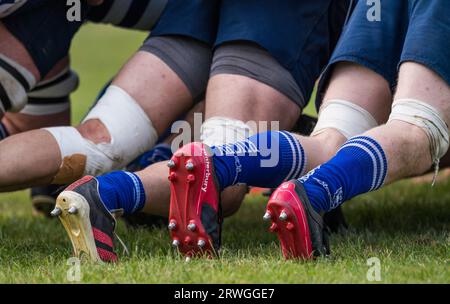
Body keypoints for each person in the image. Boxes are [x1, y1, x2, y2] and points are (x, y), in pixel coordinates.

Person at [50, 0, 352, 262]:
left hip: (193, 20)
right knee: (227, 178)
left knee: (94, 142)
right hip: (271, 25)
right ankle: (107, 193)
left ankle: (153, 159)